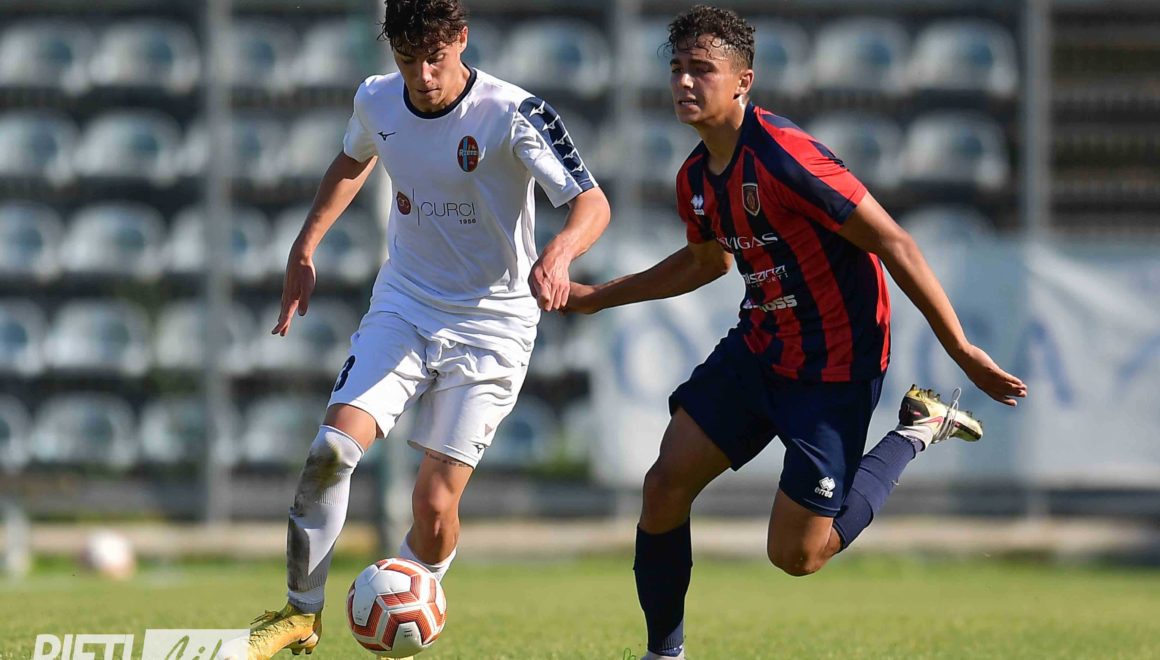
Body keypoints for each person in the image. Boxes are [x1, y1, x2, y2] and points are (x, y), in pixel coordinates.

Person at [564, 6, 1026, 659]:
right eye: (677, 68)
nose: (685, 82)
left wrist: (961, 349)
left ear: (743, 81)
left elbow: (894, 241)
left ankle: (916, 429)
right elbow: (705, 263)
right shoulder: (695, 177)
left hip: (835, 364)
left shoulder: (785, 156)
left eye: (703, 69)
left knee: (797, 555)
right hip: (761, 346)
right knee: (664, 485)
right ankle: (663, 654)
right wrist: (598, 298)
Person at [246, 0, 610, 657]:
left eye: (435, 58)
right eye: (407, 59)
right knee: (330, 452)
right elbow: (353, 159)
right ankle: (300, 614)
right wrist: (305, 245)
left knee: (435, 506)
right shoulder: (377, 99)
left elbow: (591, 201)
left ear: (462, 39)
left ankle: (411, 601)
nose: (422, 76)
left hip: (494, 323)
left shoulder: (514, 113)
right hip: (406, 303)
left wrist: (558, 254)